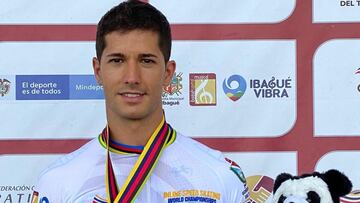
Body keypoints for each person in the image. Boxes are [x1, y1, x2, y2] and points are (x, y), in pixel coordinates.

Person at [32, 1, 250, 202]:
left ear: (168, 73)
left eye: (146, 61)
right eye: (117, 60)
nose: (132, 77)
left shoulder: (220, 176)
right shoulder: (58, 183)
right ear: (98, 71)